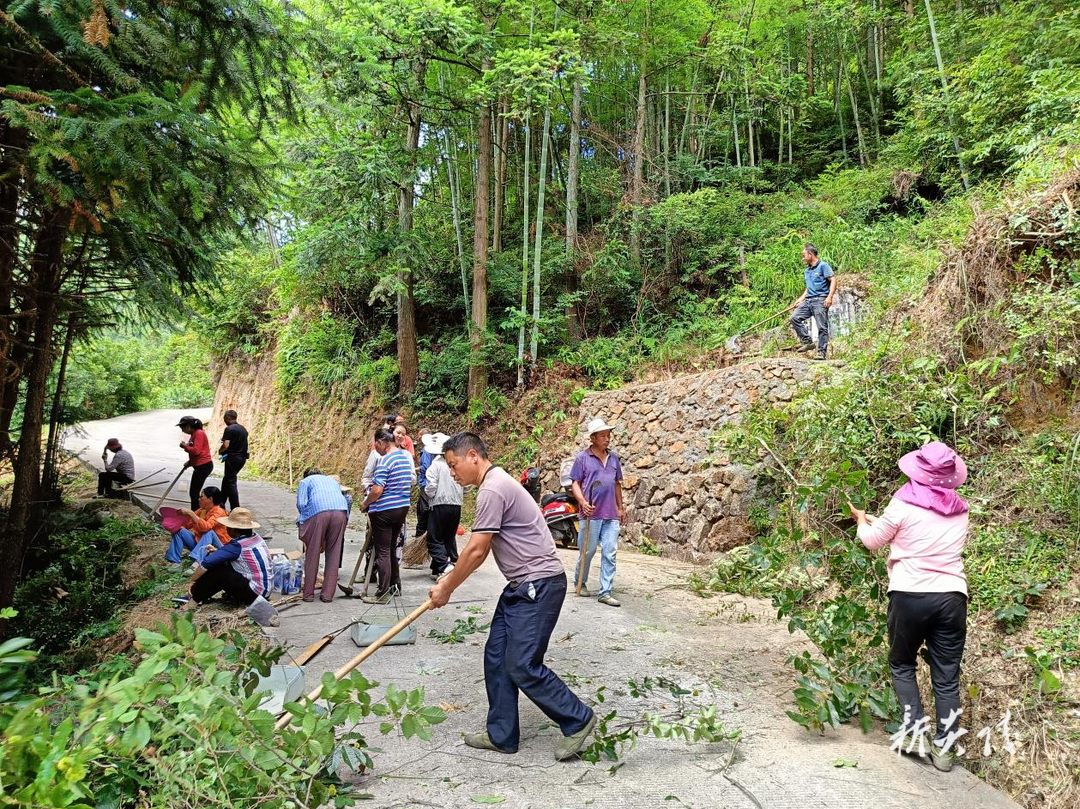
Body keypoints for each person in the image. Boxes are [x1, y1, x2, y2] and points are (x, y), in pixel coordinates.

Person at [429, 433, 596, 760]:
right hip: (522, 587)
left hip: (539, 585)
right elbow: (483, 547)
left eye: (453, 465)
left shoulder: (492, 487)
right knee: (497, 656)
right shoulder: (495, 484)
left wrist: (446, 586)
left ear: (473, 456)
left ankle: (577, 720)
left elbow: (477, 550)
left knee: (521, 663)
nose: (452, 473)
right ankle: (502, 734)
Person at [848, 441, 970, 773]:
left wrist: (861, 521)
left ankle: (915, 731)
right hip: (952, 598)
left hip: (910, 595)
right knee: (946, 678)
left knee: (902, 663)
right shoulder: (962, 509)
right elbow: (924, 535)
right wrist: (881, 523)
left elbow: (875, 541)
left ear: (918, 469)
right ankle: (945, 751)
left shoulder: (901, 503)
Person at [186, 508, 278, 627]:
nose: (226, 529)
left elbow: (206, 563)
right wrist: (218, 552)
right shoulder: (256, 538)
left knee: (218, 571)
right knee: (221, 565)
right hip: (266, 588)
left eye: (227, 527)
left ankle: (194, 598)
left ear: (234, 530)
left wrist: (194, 580)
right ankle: (200, 595)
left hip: (255, 592)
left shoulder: (236, 545)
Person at [570, 418, 625, 608]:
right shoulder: (582, 458)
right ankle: (580, 581)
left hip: (610, 514)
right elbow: (575, 483)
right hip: (590, 513)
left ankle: (605, 591)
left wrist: (620, 507)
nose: (607, 439)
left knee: (610, 552)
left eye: (608, 435)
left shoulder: (614, 459)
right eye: (603, 435)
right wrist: (583, 502)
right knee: (588, 550)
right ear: (593, 438)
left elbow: (617, 483)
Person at [358, 428, 414, 601]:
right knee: (390, 549)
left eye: (377, 446)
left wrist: (365, 503)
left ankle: (382, 593)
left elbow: (377, 490)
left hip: (384, 511)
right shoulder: (405, 459)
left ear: (382, 442)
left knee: (382, 551)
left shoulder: (385, 460)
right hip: (402, 508)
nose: (377, 449)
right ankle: (395, 586)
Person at [296, 467, 349, 603]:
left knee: (312, 552)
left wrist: (303, 520)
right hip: (340, 513)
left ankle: (308, 594)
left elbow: (301, 504)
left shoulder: (305, 482)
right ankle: (327, 595)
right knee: (334, 553)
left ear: (305, 475)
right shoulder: (331, 481)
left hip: (319, 513)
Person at [423, 432, 462, 579]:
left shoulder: (436, 465)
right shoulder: (456, 463)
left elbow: (431, 486)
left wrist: (429, 496)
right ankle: (439, 567)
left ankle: (445, 566)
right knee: (448, 537)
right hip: (456, 505)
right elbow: (466, 484)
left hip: (439, 505)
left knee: (434, 539)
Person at [789, 243, 837, 361]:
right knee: (794, 318)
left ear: (810, 254)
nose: (803, 258)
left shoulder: (823, 266)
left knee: (822, 327)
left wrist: (829, 297)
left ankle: (821, 352)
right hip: (808, 300)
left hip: (820, 299)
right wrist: (801, 299)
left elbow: (833, 280)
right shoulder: (807, 271)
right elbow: (809, 288)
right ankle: (807, 342)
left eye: (804, 255)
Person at [165, 486, 229, 567]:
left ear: (210, 499)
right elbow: (187, 525)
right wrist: (174, 523)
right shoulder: (202, 510)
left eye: (201, 497)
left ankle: (197, 561)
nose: (199, 499)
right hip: (202, 546)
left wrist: (191, 513)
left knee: (209, 532)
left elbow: (206, 527)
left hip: (217, 549)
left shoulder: (219, 512)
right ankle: (174, 561)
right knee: (179, 530)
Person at [177, 415, 213, 510]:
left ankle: (195, 514)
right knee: (194, 492)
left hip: (204, 466)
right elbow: (198, 453)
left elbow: (196, 451)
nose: (182, 431)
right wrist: (189, 463)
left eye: (183, 428)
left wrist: (185, 446)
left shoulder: (199, 433)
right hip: (199, 465)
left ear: (188, 426)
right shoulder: (194, 434)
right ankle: (196, 513)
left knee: (194, 493)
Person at [219, 409, 249, 510]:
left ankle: (235, 508)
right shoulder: (243, 429)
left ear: (228, 418)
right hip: (242, 458)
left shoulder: (229, 429)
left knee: (231, 482)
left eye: (224, 418)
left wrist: (221, 450)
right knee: (227, 479)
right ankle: (221, 502)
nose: (224, 420)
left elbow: (226, 445)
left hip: (233, 458)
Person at [415, 428, 433, 540]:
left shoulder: (426, 450)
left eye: (419, 435)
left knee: (422, 512)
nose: (418, 438)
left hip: (426, 483)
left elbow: (425, 468)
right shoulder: (432, 450)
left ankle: (420, 536)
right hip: (429, 484)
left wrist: (414, 469)